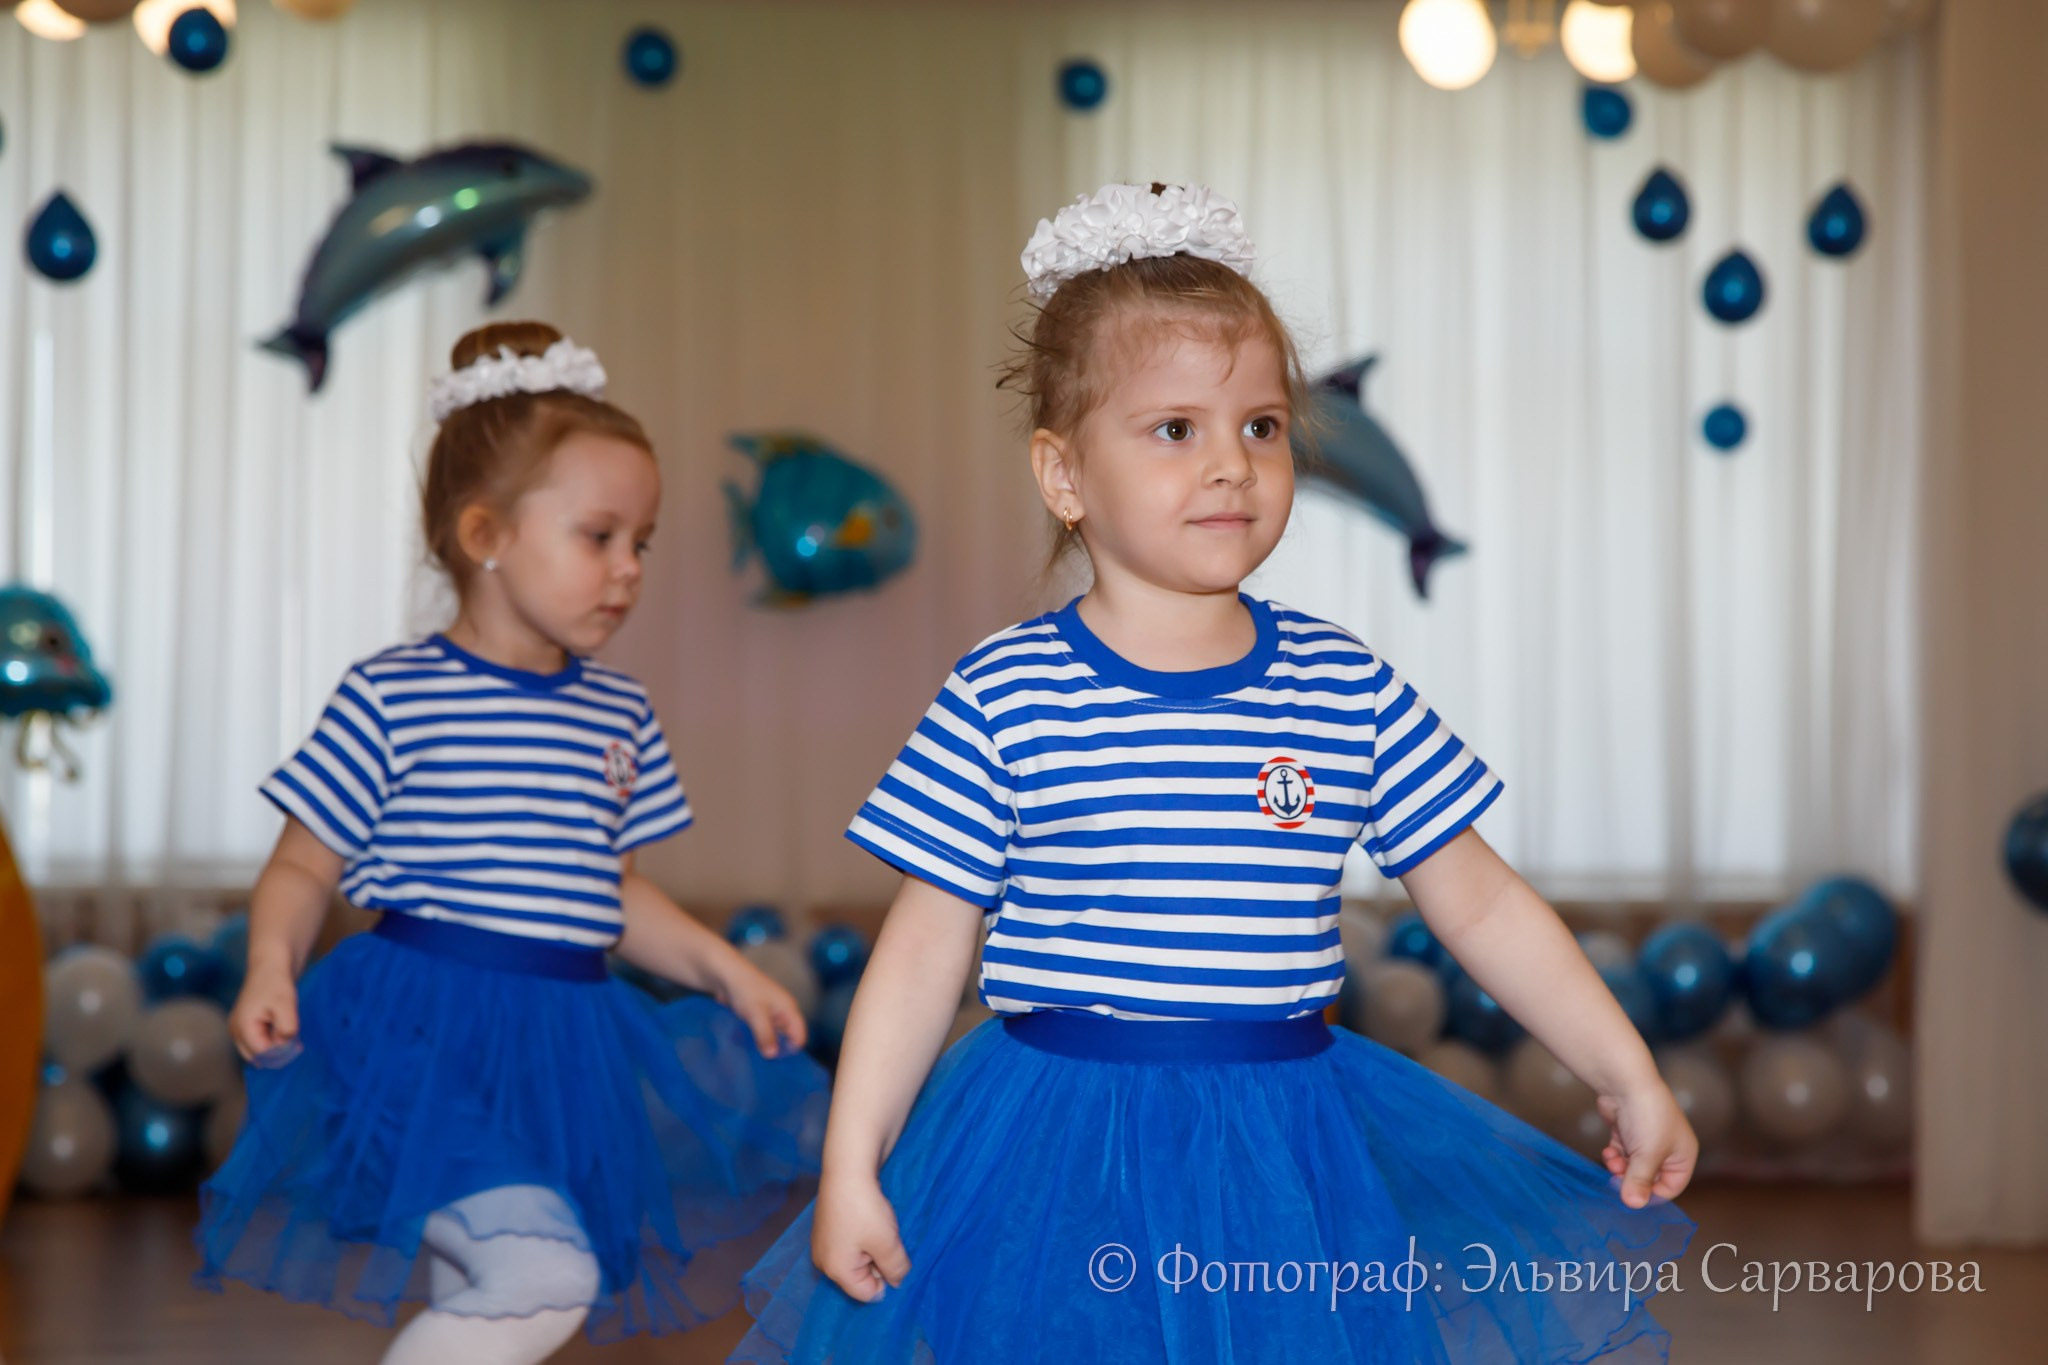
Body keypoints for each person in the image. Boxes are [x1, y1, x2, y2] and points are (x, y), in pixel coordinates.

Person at [733, 184, 1697, 1364]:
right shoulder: (1004, 692)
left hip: (1281, 1156)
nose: (1231, 464)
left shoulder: (1342, 686)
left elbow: (1478, 900)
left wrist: (1623, 1069)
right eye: (1174, 430)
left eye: (1262, 425)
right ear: (1064, 476)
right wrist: (851, 1167)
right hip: (1056, 1152)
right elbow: (926, 946)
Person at [196, 321, 831, 1364]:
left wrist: (726, 971)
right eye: (597, 536)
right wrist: (271, 964)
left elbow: (613, 893)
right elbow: (306, 861)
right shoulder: (393, 694)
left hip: (560, 1042)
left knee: (484, 1279)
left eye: (644, 542)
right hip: (418, 1029)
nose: (628, 569)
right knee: (543, 1275)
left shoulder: (617, 713)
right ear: (483, 533)